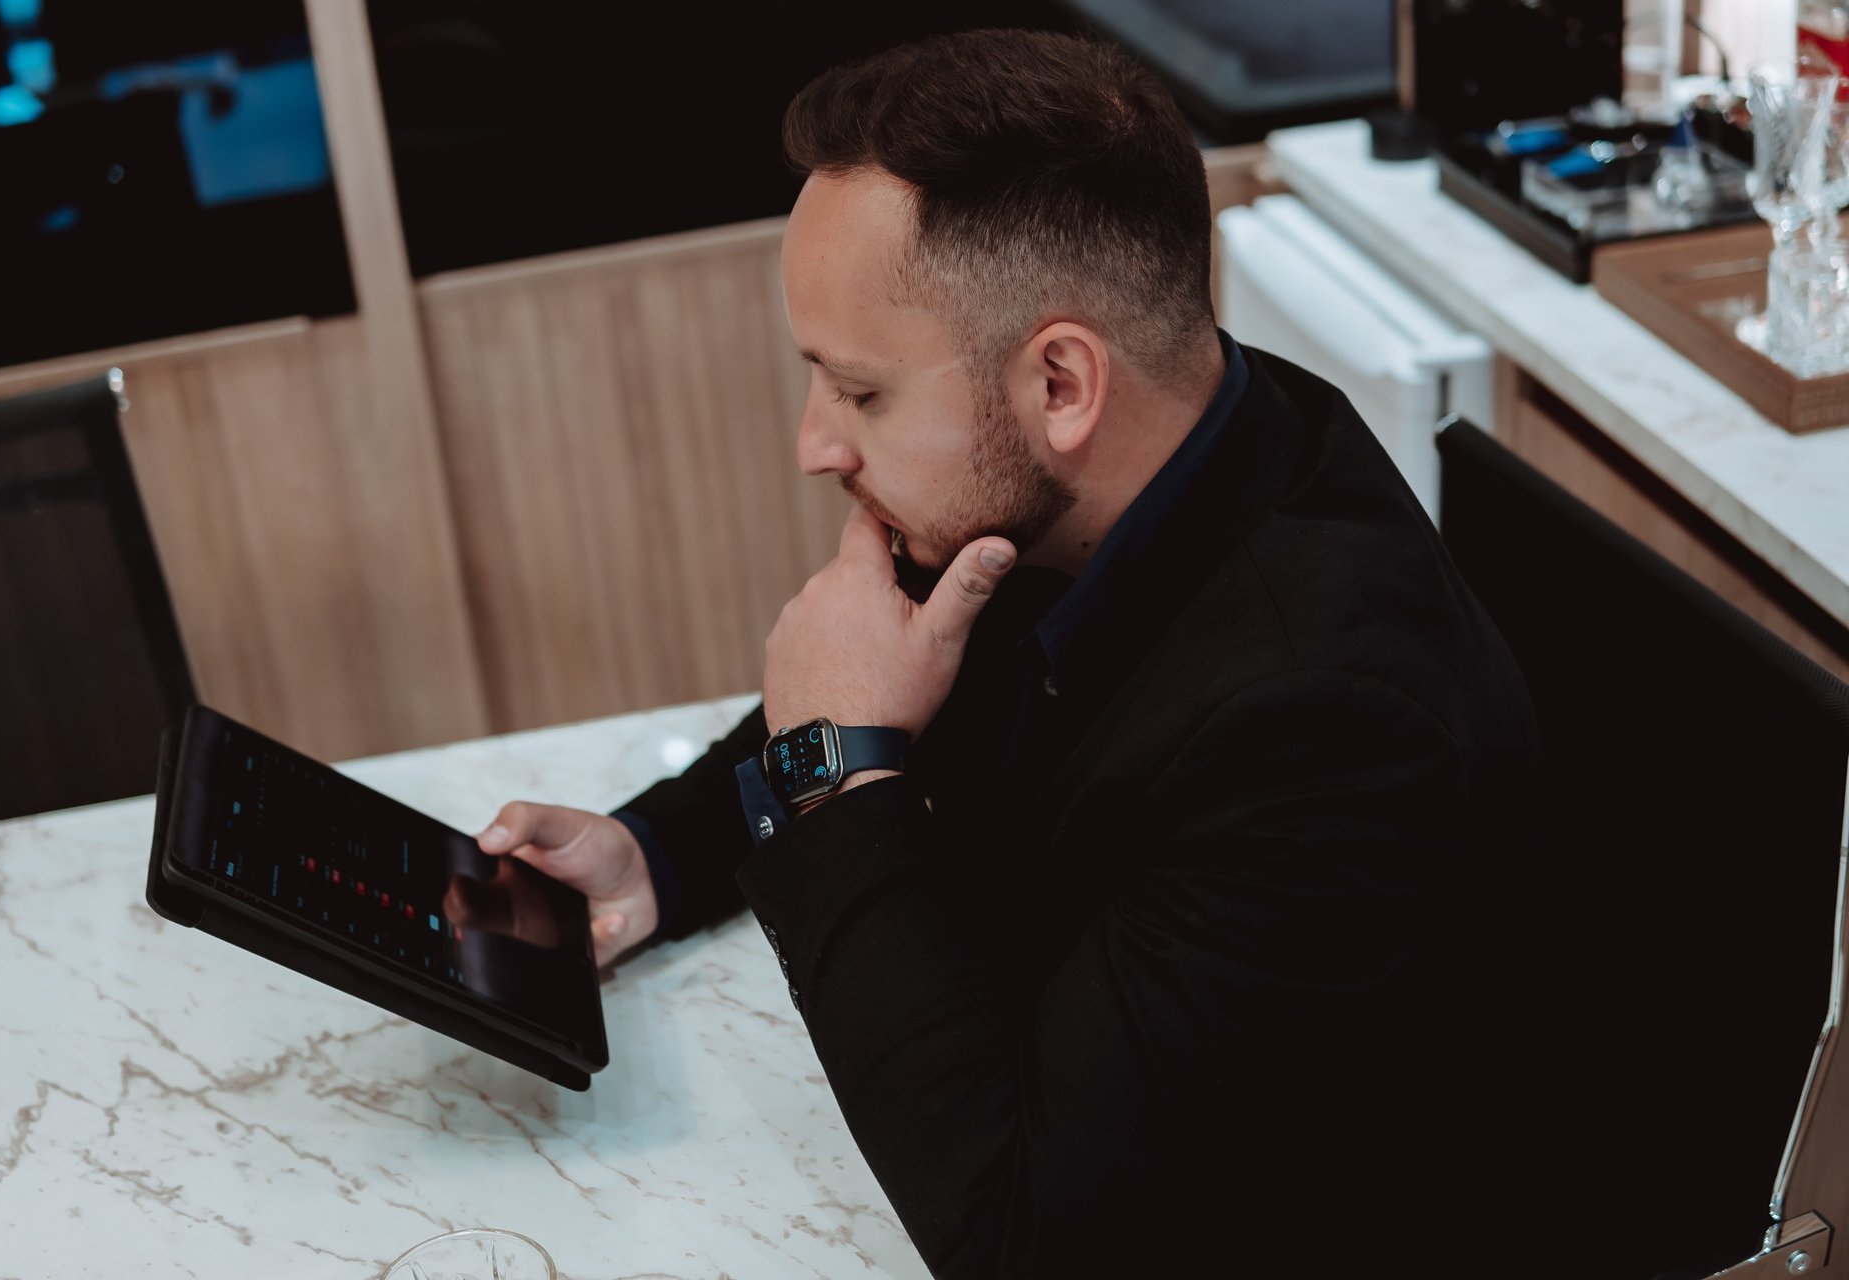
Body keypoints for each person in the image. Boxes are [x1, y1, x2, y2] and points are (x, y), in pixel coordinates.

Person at [463, 29, 1537, 1277]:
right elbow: (882, 681)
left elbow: (1016, 1228)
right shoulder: (1136, 452)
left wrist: (831, 773)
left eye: (859, 393)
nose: (817, 442)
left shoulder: (1328, 730)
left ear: (1063, 383)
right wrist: (656, 851)